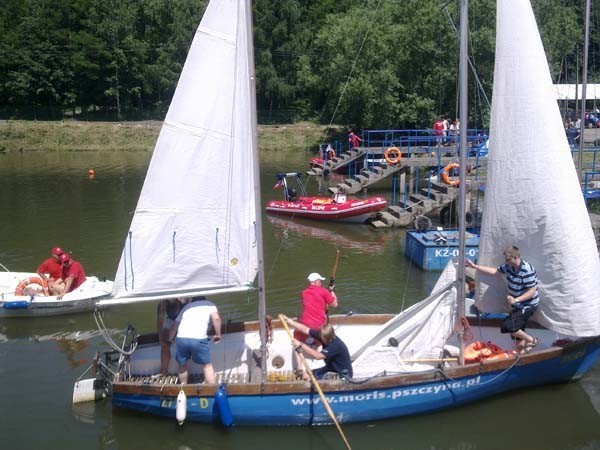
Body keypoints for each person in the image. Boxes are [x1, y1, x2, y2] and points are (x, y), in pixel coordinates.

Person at [466, 245, 539, 354]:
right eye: (506, 259)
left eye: (509, 259)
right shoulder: (509, 267)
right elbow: (495, 271)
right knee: (517, 332)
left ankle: (532, 340)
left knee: (508, 327)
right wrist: (475, 266)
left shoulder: (526, 270)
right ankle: (521, 354)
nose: (507, 262)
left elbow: (531, 291)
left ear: (516, 257)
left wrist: (516, 300)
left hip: (527, 305)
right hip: (517, 305)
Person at [170, 296, 221, 384]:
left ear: (192, 299)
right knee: (207, 366)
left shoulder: (187, 307)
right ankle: (212, 390)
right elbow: (216, 319)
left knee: (182, 365)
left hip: (181, 338)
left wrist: (170, 338)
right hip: (199, 339)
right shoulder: (210, 304)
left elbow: (175, 324)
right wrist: (218, 334)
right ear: (205, 298)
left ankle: (183, 388)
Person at [282, 315, 352, 379]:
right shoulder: (322, 335)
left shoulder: (335, 345)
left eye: (323, 338)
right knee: (308, 373)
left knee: (307, 377)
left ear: (328, 338)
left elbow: (318, 356)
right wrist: (290, 321)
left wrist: (301, 345)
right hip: (330, 368)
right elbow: (305, 329)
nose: (320, 338)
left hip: (341, 374)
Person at [157, 298, 189, 376]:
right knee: (164, 345)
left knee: (182, 342)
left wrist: (181, 299)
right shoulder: (162, 303)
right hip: (171, 320)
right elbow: (159, 322)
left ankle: (183, 370)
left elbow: (186, 302)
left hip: (184, 319)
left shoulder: (182, 299)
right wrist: (161, 338)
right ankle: (164, 371)